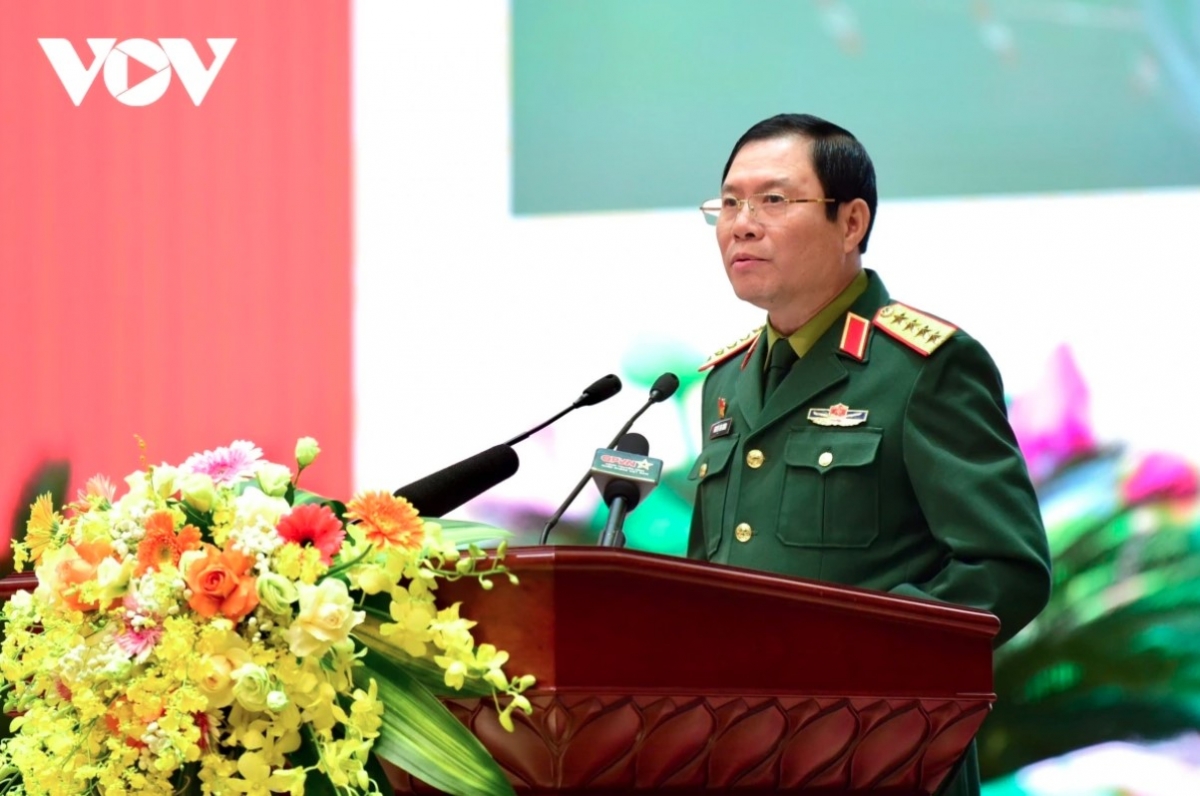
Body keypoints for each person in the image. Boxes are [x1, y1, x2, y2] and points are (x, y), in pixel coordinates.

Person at [686, 113, 1052, 796]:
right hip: (738, 758)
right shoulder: (724, 383)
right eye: (728, 203)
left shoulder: (923, 368)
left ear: (851, 222)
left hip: (880, 758)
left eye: (772, 200)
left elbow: (1007, 570)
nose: (741, 223)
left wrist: (865, 666)